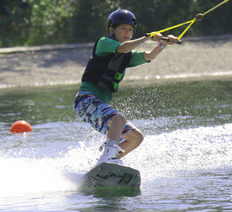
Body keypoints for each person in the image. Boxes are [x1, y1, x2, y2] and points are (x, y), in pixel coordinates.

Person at [74, 9, 180, 166]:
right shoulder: (104, 43)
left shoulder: (127, 55)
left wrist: (162, 44)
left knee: (136, 137)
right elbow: (123, 47)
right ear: (112, 30)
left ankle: (106, 163)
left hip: (96, 103)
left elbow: (148, 56)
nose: (127, 32)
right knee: (119, 119)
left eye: (130, 29)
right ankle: (108, 157)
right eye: (123, 28)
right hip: (85, 100)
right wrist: (146, 38)